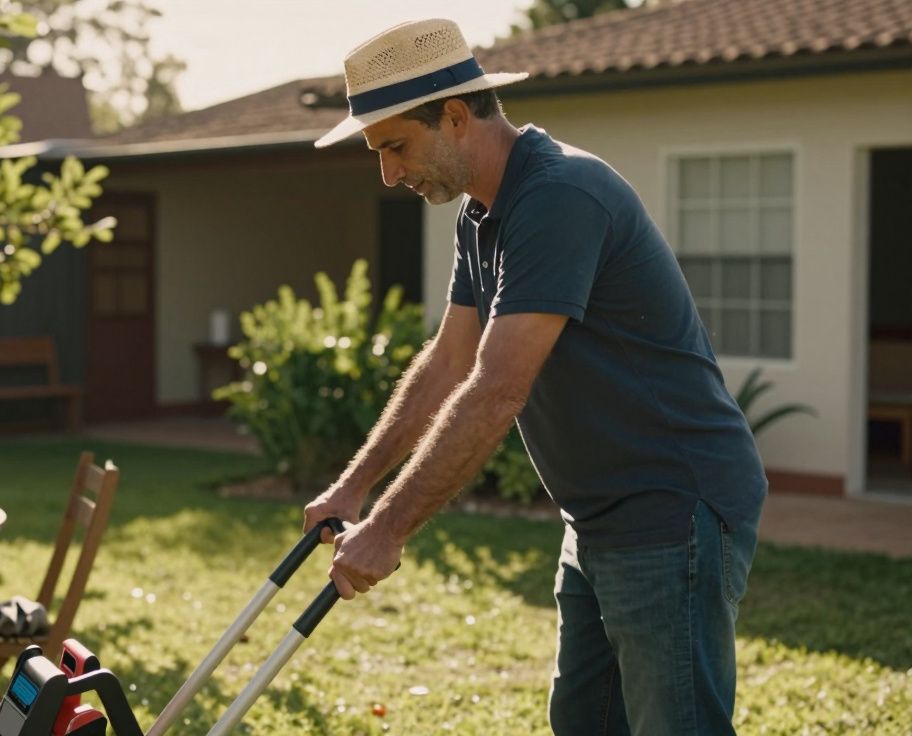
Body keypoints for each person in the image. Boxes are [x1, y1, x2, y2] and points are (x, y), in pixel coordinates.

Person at [302, 18, 766, 736]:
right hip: (596, 516)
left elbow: (496, 389)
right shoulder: (481, 216)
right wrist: (353, 485)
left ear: (455, 117)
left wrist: (388, 529)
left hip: (673, 507)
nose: (389, 174)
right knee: (583, 720)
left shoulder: (559, 196)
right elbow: (448, 362)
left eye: (395, 147)